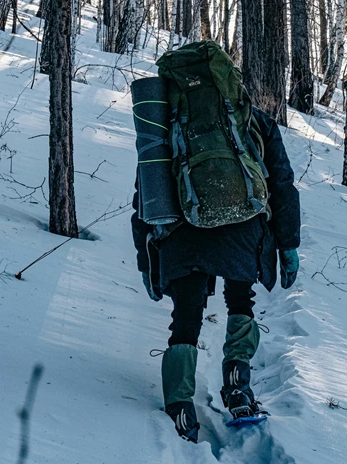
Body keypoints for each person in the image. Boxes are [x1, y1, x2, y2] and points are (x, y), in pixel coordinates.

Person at [131, 69, 300, 445]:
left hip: (181, 231)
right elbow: (282, 184)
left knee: (186, 313)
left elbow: (145, 193)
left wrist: (147, 262)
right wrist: (288, 245)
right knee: (241, 299)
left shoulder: (165, 123)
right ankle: (237, 383)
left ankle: (179, 404)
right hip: (244, 228)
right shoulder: (250, 119)